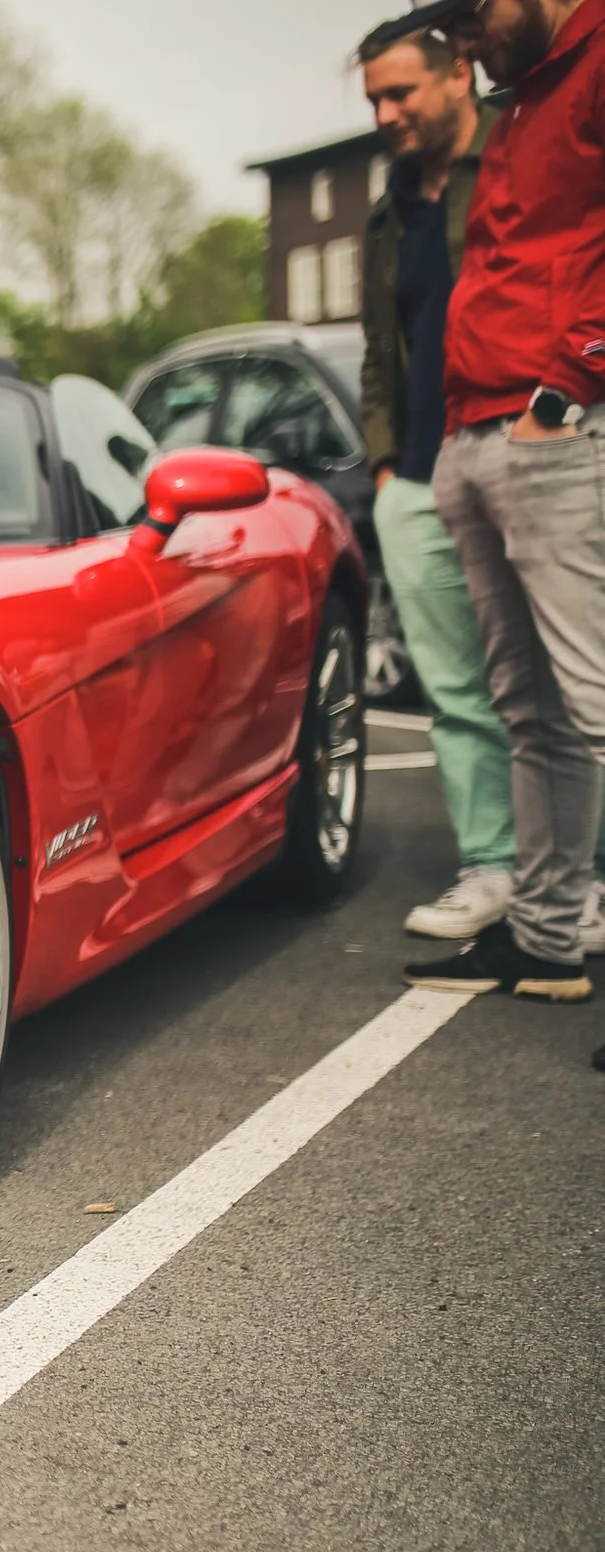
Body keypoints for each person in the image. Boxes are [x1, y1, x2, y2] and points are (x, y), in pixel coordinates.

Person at [394, 0, 605, 1037]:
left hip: (556, 428)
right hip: (478, 432)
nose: (461, 42)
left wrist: (567, 390)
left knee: (596, 699)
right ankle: (549, 938)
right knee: (536, 712)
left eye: (470, 16)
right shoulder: (521, 97)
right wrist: (458, 431)